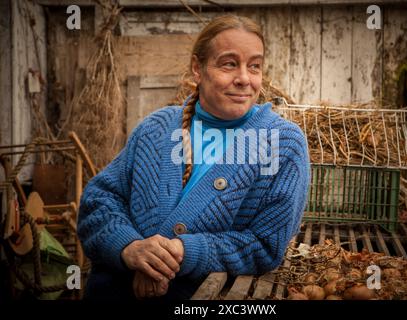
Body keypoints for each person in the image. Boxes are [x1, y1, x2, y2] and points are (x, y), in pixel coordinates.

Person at [77, 14, 310, 300]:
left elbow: (264, 245)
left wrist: (183, 252)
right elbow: (98, 202)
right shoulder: (157, 128)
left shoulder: (282, 143)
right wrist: (130, 248)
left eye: (255, 66)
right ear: (197, 69)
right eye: (229, 64)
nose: (244, 79)